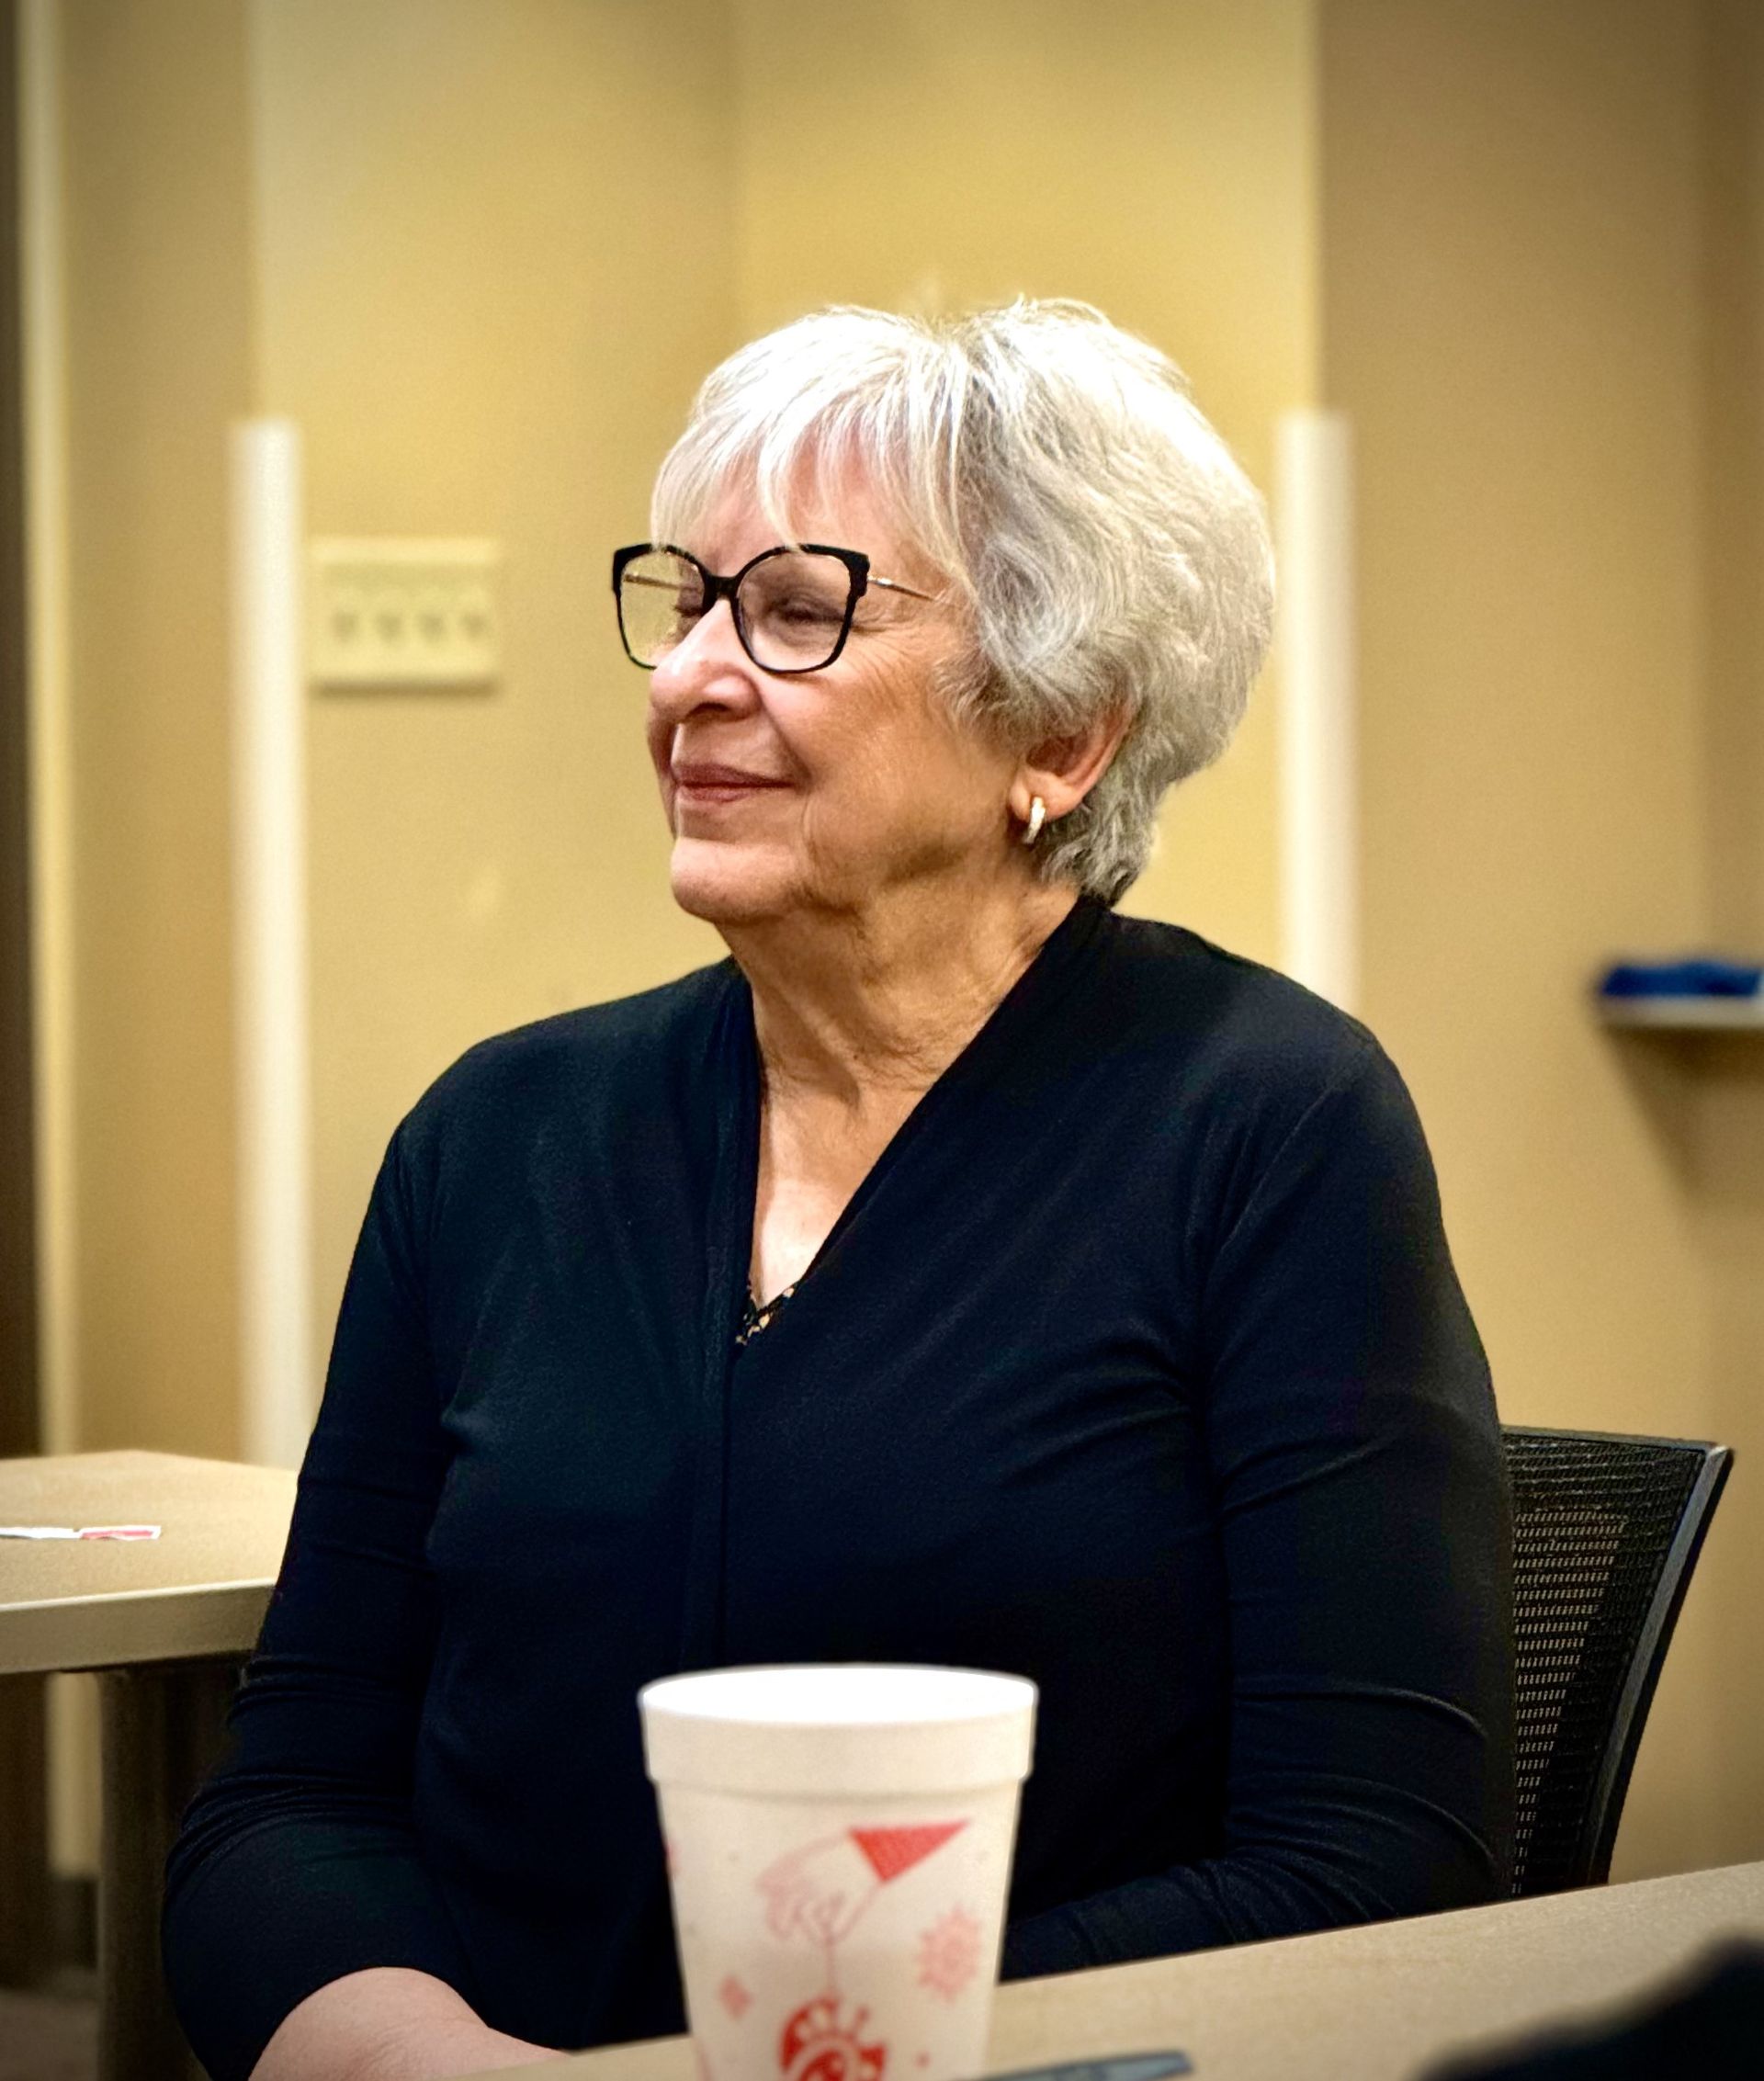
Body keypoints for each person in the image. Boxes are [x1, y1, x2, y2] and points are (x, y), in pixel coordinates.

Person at [164, 300, 1514, 2081]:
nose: (689, 676)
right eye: (688, 598)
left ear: (1064, 733)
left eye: (797, 610)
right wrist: (428, 2055)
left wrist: (805, 2050)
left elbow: (1381, 1859)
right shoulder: (495, 1135)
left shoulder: (1268, 1127)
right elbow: (294, 1797)